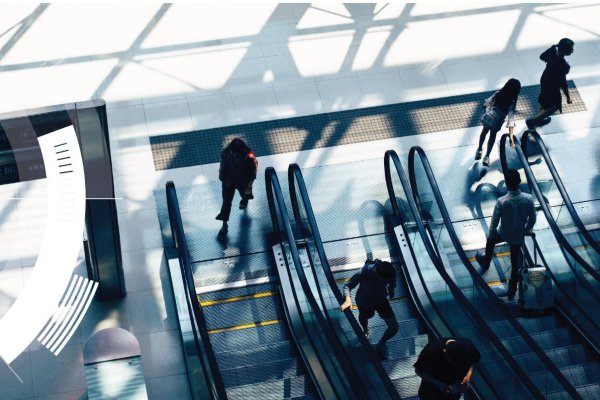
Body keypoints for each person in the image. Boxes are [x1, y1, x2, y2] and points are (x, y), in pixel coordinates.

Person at [475, 169, 536, 300]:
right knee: (515, 264)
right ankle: (512, 291)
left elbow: (494, 222)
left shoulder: (502, 201)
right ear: (519, 182)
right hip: (518, 236)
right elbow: (533, 218)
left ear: (507, 184)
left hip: (503, 233)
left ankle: (486, 262)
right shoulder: (528, 198)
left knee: (490, 242)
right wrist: (526, 230)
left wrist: (491, 235)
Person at [341, 259, 399, 359]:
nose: (384, 281)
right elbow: (347, 286)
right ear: (376, 273)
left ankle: (381, 343)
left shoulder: (390, 271)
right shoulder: (365, 271)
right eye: (382, 279)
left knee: (394, 328)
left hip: (381, 300)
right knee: (365, 317)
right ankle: (366, 330)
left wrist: (391, 289)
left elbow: (392, 281)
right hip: (365, 301)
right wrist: (347, 299)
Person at [526, 38, 574, 131]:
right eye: (571, 49)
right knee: (554, 106)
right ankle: (533, 120)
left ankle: (538, 120)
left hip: (545, 79)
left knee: (544, 100)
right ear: (565, 50)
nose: (572, 51)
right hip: (553, 86)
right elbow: (563, 83)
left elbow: (542, 57)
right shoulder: (563, 65)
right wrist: (568, 97)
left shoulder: (552, 52)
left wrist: (552, 48)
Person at [215, 138, 258, 241]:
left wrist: (250, 180)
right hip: (229, 182)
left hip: (241, 181)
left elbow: (253, 167)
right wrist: (224, 179)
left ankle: (244, 199)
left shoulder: (247, 153)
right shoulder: (227, 152)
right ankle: (224, 225)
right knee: (226, 204)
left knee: (243, 195)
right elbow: (222, 168)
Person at [414, 337, 481, 400]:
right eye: (452, 363)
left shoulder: (469, 347)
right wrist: (439, 384)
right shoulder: (430, 351)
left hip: (454, 390)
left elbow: (474, 361)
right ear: (444, 351)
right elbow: (418, 370)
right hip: (432, 388)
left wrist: (468, 376)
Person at [475, 78, 521, 166]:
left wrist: (487, 110)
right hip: (497, 122)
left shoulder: (498, 93)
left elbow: (486, 104)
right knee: (492, 136)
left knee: (484, 132)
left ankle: (479, 149)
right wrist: (511, 136)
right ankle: (487, 156)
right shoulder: (512, 101)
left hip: (489, 118)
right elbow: (511, 119)